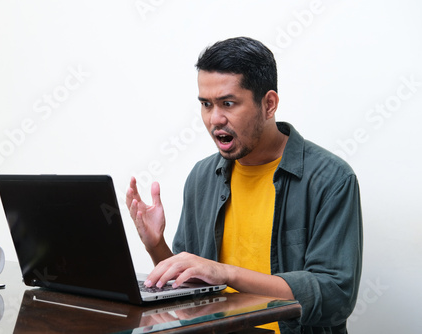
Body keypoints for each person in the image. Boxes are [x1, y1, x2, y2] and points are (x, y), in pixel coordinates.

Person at [126, 37, 363, 334]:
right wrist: (156, 245)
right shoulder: (202, 177)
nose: (215, 119)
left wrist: (226, 273)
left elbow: (335, 296)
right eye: (206, 104)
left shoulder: (331, 179)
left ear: (269, 104)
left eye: (228, 103)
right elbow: (186, 287)